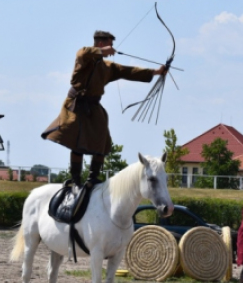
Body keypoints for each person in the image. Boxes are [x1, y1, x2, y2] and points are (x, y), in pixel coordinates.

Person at [41, 30, 166, 191]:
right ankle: (76, 179)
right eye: (110, 44)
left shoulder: (107, 67)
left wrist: (156, 72)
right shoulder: (84, 56)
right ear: (101, 43)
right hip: (76, 106)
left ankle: (93, 178)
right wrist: (102, 51)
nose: (112, 48)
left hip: (93, 108)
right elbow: (83, 53)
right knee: (77, 143)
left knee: (103, 142)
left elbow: (128, 71)